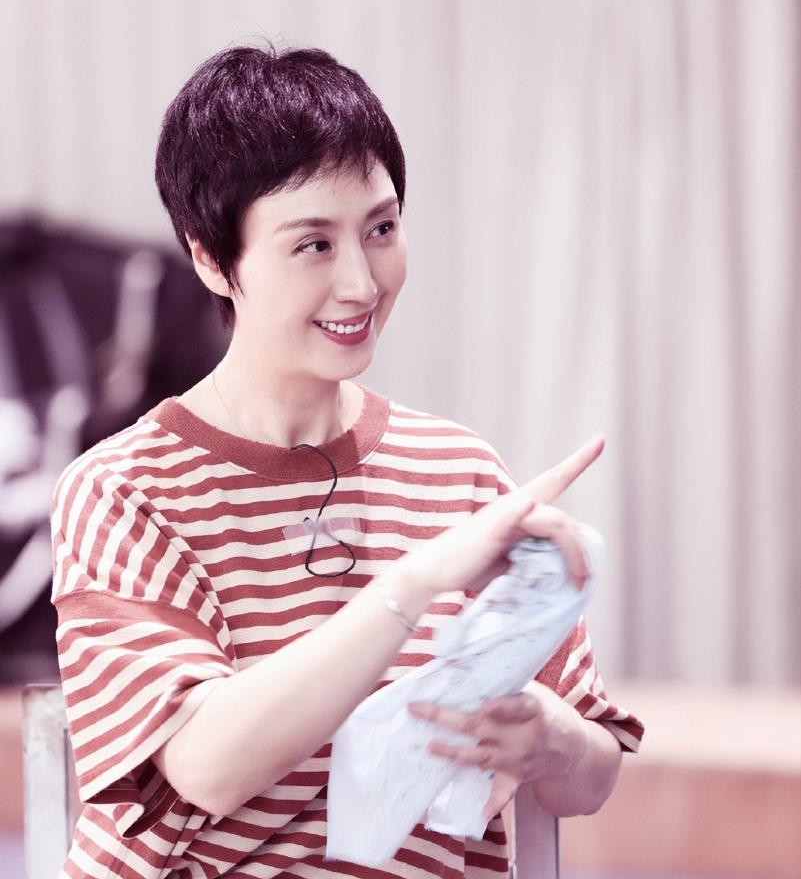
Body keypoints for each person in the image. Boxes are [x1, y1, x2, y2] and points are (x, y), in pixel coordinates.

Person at [50, 43, 643, 879]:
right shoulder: (124, 490)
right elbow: (206, 767)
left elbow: (591, 777)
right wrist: (412, 584)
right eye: (313, 246)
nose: (362, 283)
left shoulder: (459, 470)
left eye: (381, 229)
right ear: (211, 259)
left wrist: (551, 739)